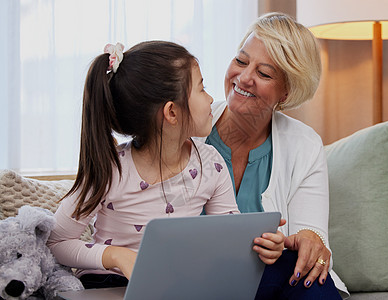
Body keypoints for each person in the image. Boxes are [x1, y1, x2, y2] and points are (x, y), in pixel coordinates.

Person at [47, 41, 251, 288]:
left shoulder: (211, 164)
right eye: (202, 88)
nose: (210, 99)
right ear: (171, 112)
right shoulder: (111, 169)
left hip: (174, 285)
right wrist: (116, 256)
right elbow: (55, 242)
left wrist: (257, 243)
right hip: (109, 284)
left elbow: (228, 238)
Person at [203, 12, 349, 299]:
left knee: (308, 277)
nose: (243, 78)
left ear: (286, 91)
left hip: (268, 282)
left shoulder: (304, 144)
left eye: (264, 73)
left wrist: (311, 245)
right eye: (241, 61)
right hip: (195, 275)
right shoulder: (188, 126)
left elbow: (311, 238)